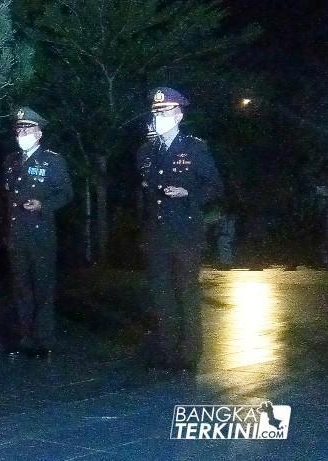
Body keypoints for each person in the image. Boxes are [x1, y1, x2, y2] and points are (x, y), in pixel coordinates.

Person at [136, 87, 223, 372]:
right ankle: (167, 352)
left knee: (186, 293)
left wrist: (188, 192)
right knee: (161, 295)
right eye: (156, 112)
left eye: (165, 111)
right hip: (157, 234)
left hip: (185, 232)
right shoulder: (147, 150)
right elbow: (143, 188)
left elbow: (214, 186)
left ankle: (189, 356)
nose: (160, 116)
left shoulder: (195, 148)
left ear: (179, 114)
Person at [4, 107, 73, 358]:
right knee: (21, 288)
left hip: (40, 233)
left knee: (42, 287)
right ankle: (25, 337)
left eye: (28, 129)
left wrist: (43, 205)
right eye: (19, 129)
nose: (22, 133)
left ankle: (43, 340)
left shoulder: (52, 161)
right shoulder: (11, 161)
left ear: (39, 133)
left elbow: (66, 194)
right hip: (17, 234)